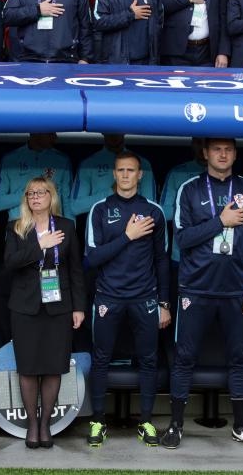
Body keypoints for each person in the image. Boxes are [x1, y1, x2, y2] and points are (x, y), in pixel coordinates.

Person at [161, 138, 243, 450]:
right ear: (205, 153)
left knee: (239, 357)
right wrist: (220, 221)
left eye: (228, 149)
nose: (223, 154)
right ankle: (176, 425)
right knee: (184, 357)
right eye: (217, 149)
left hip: (237, 290)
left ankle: (241, 426)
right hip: (196, 288)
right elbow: (182, 239)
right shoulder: (190, 189)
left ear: (235, 154)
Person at [84, 151, 171, 448]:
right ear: (114, 173)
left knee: (149, 360)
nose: (125, 175)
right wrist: (128, 235)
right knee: (101, 358)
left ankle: (145, 421)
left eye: (130, 170)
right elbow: (92, 258)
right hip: (108, 296)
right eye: (120, 170)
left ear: (140, 174)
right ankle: (98, 421)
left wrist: (164, 303)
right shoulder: (100, 209)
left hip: (144, 297)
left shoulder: (154, 211)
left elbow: (162, 260)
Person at [3, 177, 85, 449]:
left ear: (52, 196)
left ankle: (46, 424)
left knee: (53, 367)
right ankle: (32, 425)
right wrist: (41, 245)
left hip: (58, 306)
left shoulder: (67, 226)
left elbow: (75, 270)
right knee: (27, 368)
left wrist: (79, 307)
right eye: (30, 193)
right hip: (24, 307)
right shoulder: (16, 227)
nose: (35, 197)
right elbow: (9, 263)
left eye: (41, 192)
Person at [2, 0, 94, 63]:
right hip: (29, 59)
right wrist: (37, 10)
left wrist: (85, 58)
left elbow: (85, 24)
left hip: (66, 59)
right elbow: (7, 16)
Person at [71, 134, 156, 218]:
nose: (114, 134)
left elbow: (151, 207)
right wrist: (111, 191)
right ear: (102, 131)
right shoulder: (88, 164)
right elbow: (75, 207)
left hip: (134, 223)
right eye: (110, 129)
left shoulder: (143, 164)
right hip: (99, 224)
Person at [0, 133, 73, 220]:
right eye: (50, 133)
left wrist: (71, 227)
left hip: (53, 225)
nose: (55, 137)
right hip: (19, 225)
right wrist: (30, 194)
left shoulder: (62, 160)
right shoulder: (10, 160)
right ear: (35, 132)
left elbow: (68, 203)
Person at [157, 0, 230, 67]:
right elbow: (161, 6)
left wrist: (223, 52)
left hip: (207, 52)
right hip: (176, 53)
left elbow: (223, 16)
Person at [92, 0, 163, 65]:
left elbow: (159, 24)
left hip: (145, 64)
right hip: (116, 63)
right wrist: (130, 15)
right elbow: (98, 21)